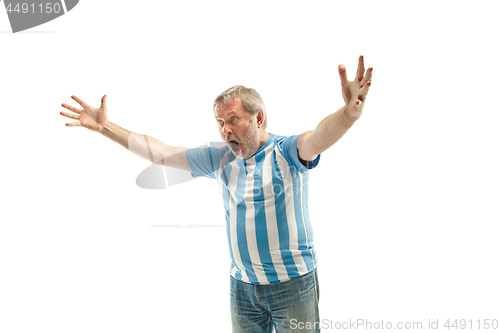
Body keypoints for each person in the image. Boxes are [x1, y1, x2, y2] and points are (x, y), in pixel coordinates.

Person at [60, 55, 373, 332]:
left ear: (258, 118)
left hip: (292, 286)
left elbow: (320, 137)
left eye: (233, 120)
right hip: (243, 289)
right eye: (221, 122)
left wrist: (349, 112)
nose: (225, 130)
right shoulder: (221, 157)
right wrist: (106, 128)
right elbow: (162, 153)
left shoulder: (288, 151)